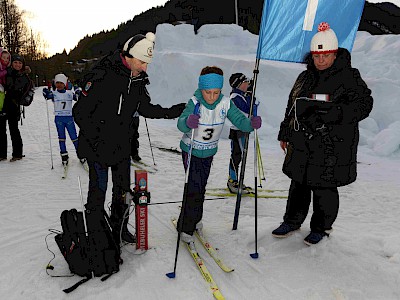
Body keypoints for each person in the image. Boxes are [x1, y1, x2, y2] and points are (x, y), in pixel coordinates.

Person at [73, 32, 186, 245]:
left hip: (121, 146)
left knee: (122, 192)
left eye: (148, 63)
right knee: (98, 192)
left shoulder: (138, 79)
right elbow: (79, 113)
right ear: (129, 56)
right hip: (97, 146)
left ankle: (119, 229)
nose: (145, 67)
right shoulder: (102, 74)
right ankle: (97, 235)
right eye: (142, 62)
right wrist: (96, 138)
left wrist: (174, 111)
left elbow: (145, 108)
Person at [272, 22, 373, 245]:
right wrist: (285, 133)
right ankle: (292, 220)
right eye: (317, 55)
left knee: (324, 188)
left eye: (325, 55)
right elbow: (292, 107)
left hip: (331, 145)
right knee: (298, 183)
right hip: (302, 142)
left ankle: (321, 227)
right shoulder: (304, 77)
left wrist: (335, 113)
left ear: (335, 54)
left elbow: (365, 105)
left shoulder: (349, 77)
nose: (320, 60)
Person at [176, 66, 262, 248]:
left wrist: (250, 124)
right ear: (201, 89)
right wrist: (187, 122)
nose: (212, 97)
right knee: (193, 186)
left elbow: (239, 120)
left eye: (216, 92)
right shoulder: (195, 102)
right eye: (208, 92)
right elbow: (181, 123)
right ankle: (185, 226)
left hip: (208, 152)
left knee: (201, 186)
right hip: (191, 150)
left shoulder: (225, 102)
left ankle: (195, 218)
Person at [226, 72, 259, 193]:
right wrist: (251, 120)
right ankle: (232, 181)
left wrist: (251, 96)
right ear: (239, 84)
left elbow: (252, 107)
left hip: (244, 130)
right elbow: (241, 115)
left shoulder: (243, 96)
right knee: (236, 155)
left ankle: (237, 180)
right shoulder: (235, 97)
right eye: (245, 82)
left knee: (240, 155)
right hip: (237, 130)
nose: (248, 83)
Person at [42, 73, 84, 166]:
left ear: (65, 84)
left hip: (68, 118)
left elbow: (78, 97)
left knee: (74, 137)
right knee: (61, 138)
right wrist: (45, 92)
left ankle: (80, 154)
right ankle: (64, 155)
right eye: (57, 83)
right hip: (59, 119)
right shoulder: (54, 94)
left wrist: (77, 91)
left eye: (61, 83)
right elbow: (47, 95)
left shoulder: (69, 93)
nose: (59, 85)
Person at [0, 54, 33, 162]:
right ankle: (2, 154)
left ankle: (17, 153)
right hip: (3, 104)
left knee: (14, 129)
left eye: (20, 63)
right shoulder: (7, 73)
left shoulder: (25, 77)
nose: (17, 65)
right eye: (15, 62)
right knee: (1, 130)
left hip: (14, 106)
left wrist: (22, 100)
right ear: (12, 63)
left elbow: (28, 90)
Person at [0, 48, 11, 113]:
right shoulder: (2, 68)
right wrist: (5, 72)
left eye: (7, 58)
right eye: (4, 57)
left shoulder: (7, 67)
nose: (6, 60)